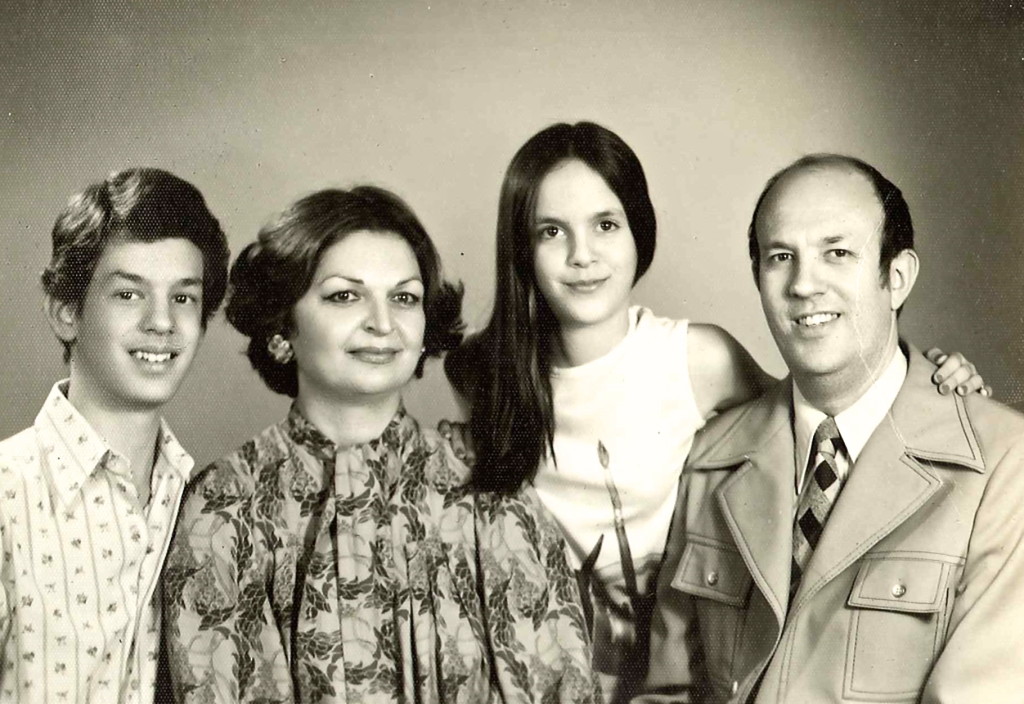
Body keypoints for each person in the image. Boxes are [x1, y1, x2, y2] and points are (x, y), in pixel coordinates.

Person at [443, 122, 988, 703]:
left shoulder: (696, 359)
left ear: (638, 231)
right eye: (552, 231)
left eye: (606, 224)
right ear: (522, 248)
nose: (582, 255)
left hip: (682, 675)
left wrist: (930, 380)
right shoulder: (480, 375)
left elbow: (826, 427)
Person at [162, 186, 599, 703]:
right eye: (345, 296)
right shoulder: (225, 504)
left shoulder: (489, 491)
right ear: (282, 327)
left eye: (404, 297)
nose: (383, 323)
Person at [638, 154, 1024, 703]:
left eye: (837, 253)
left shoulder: (1004, 465)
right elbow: (669, 692)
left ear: (897, 277)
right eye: (781, 257)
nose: (803, 284)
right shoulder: (712, 458)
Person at [0, 168, 230, 702]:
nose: (161, 322)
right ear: (65, 312)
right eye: (129, 294)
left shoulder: (203, 505)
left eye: (184, 298)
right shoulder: (8, 497)